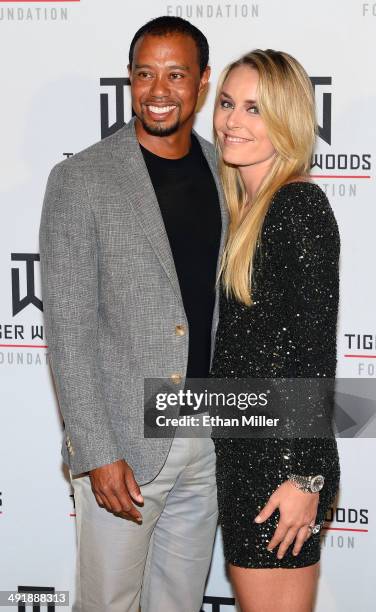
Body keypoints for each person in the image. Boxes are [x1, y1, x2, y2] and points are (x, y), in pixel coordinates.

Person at [39, 16, 228, 612]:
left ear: (201, 83)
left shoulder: (230, 173)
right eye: (144, 74)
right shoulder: (80, 179)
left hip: (210, 432)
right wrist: (97, 450)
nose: (158, 89)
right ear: (128, 80)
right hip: (124, 442)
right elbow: (68, 331)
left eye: (176, 74)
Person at [209, 49, 341, 611]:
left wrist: (306, 477)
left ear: (286, 120)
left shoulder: (298, 207)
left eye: (255, 109)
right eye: (227, 103)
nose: (233, 121)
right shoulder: (245, 211)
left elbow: (313, 355)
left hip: (279, 466)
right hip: (246, 454)